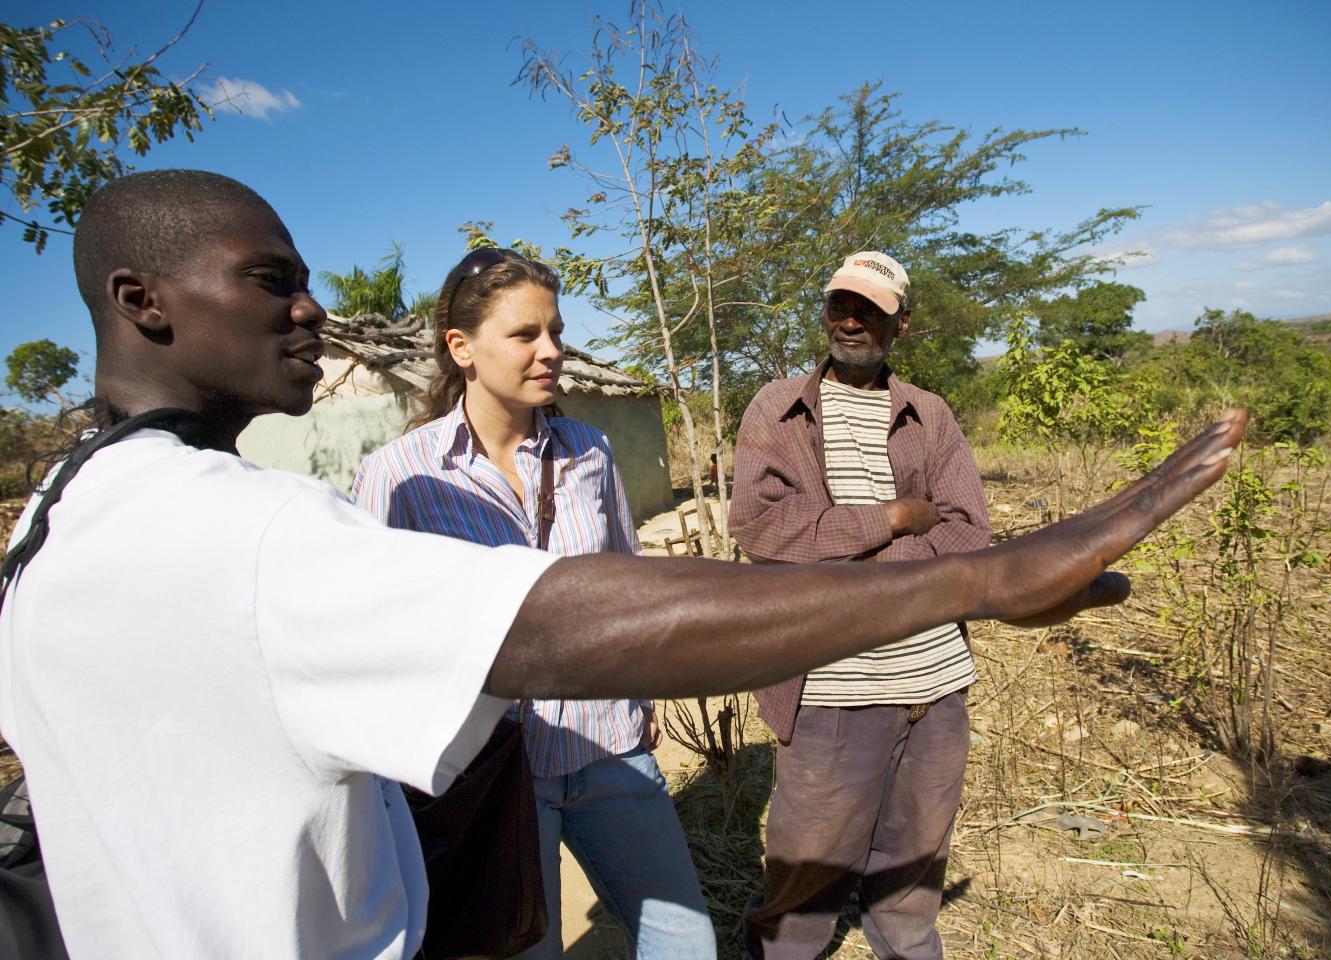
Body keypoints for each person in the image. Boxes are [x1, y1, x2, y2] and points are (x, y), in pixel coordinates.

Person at [0, 169, 1243, 959]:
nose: (313, 310)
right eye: (271, 281)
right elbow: (563, 617)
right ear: (141, 299)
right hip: (491, 783)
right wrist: (973, 578)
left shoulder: (58, 522)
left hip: (607, 759)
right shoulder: (274, 532)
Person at [351, 248, 715, 959]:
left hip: (609, 747)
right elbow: (373, 639)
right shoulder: (400, 477)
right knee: (524, 946)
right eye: (525, 334)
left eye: (556, 331)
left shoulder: (589, 452)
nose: (551, 351)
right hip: (490, 776)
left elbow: (625, 583)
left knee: (685, 940)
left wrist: (639, 704)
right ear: (462, 348)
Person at [729, 251, 984, 957]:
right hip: (832, 689)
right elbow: (762, 528)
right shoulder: (777, 411)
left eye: (869, 309)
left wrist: (847, 555)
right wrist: (895, 519)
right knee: (804, 881)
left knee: (913, 877)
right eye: (840, 304)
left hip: (935, 686)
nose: (850, 321)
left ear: (901, 323)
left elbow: (970, 533)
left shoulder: (930, 416)